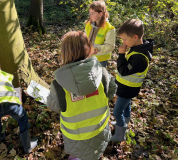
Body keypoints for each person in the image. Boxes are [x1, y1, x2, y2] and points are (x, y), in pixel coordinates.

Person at [47, 31, 117, 160]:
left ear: (64, 53)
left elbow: (54, 105)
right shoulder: (102, 73)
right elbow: (111, 92)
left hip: (75, 137)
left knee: (78, 155)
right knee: (93, 154)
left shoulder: (58, 84)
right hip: (99, 131)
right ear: (89, 49)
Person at [0, 59, 38, 153]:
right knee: (22, 118)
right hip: (11, 104)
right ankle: (27, 146)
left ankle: (2, 138)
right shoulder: (4, 74)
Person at [110, 19, 153, 142]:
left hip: (127, 89)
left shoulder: (140, 57)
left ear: (135, 37)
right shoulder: (138, 47)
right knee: (126, 106)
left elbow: (124, 71)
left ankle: (119, 135)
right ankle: (124, 123)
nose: (123, 42)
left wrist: (122, 55)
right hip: (127, 88)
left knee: (117, 111)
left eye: (124, 39)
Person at [85, 0, 116, 67]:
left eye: (92, 13)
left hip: (101, 60)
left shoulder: (109, 28)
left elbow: (110, 46)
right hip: (88, 57)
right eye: (90, 13)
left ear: (100, 14)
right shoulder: (88, 25)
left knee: (99, 77)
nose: (90, 16)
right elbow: (85, 39)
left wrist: (97, 49)